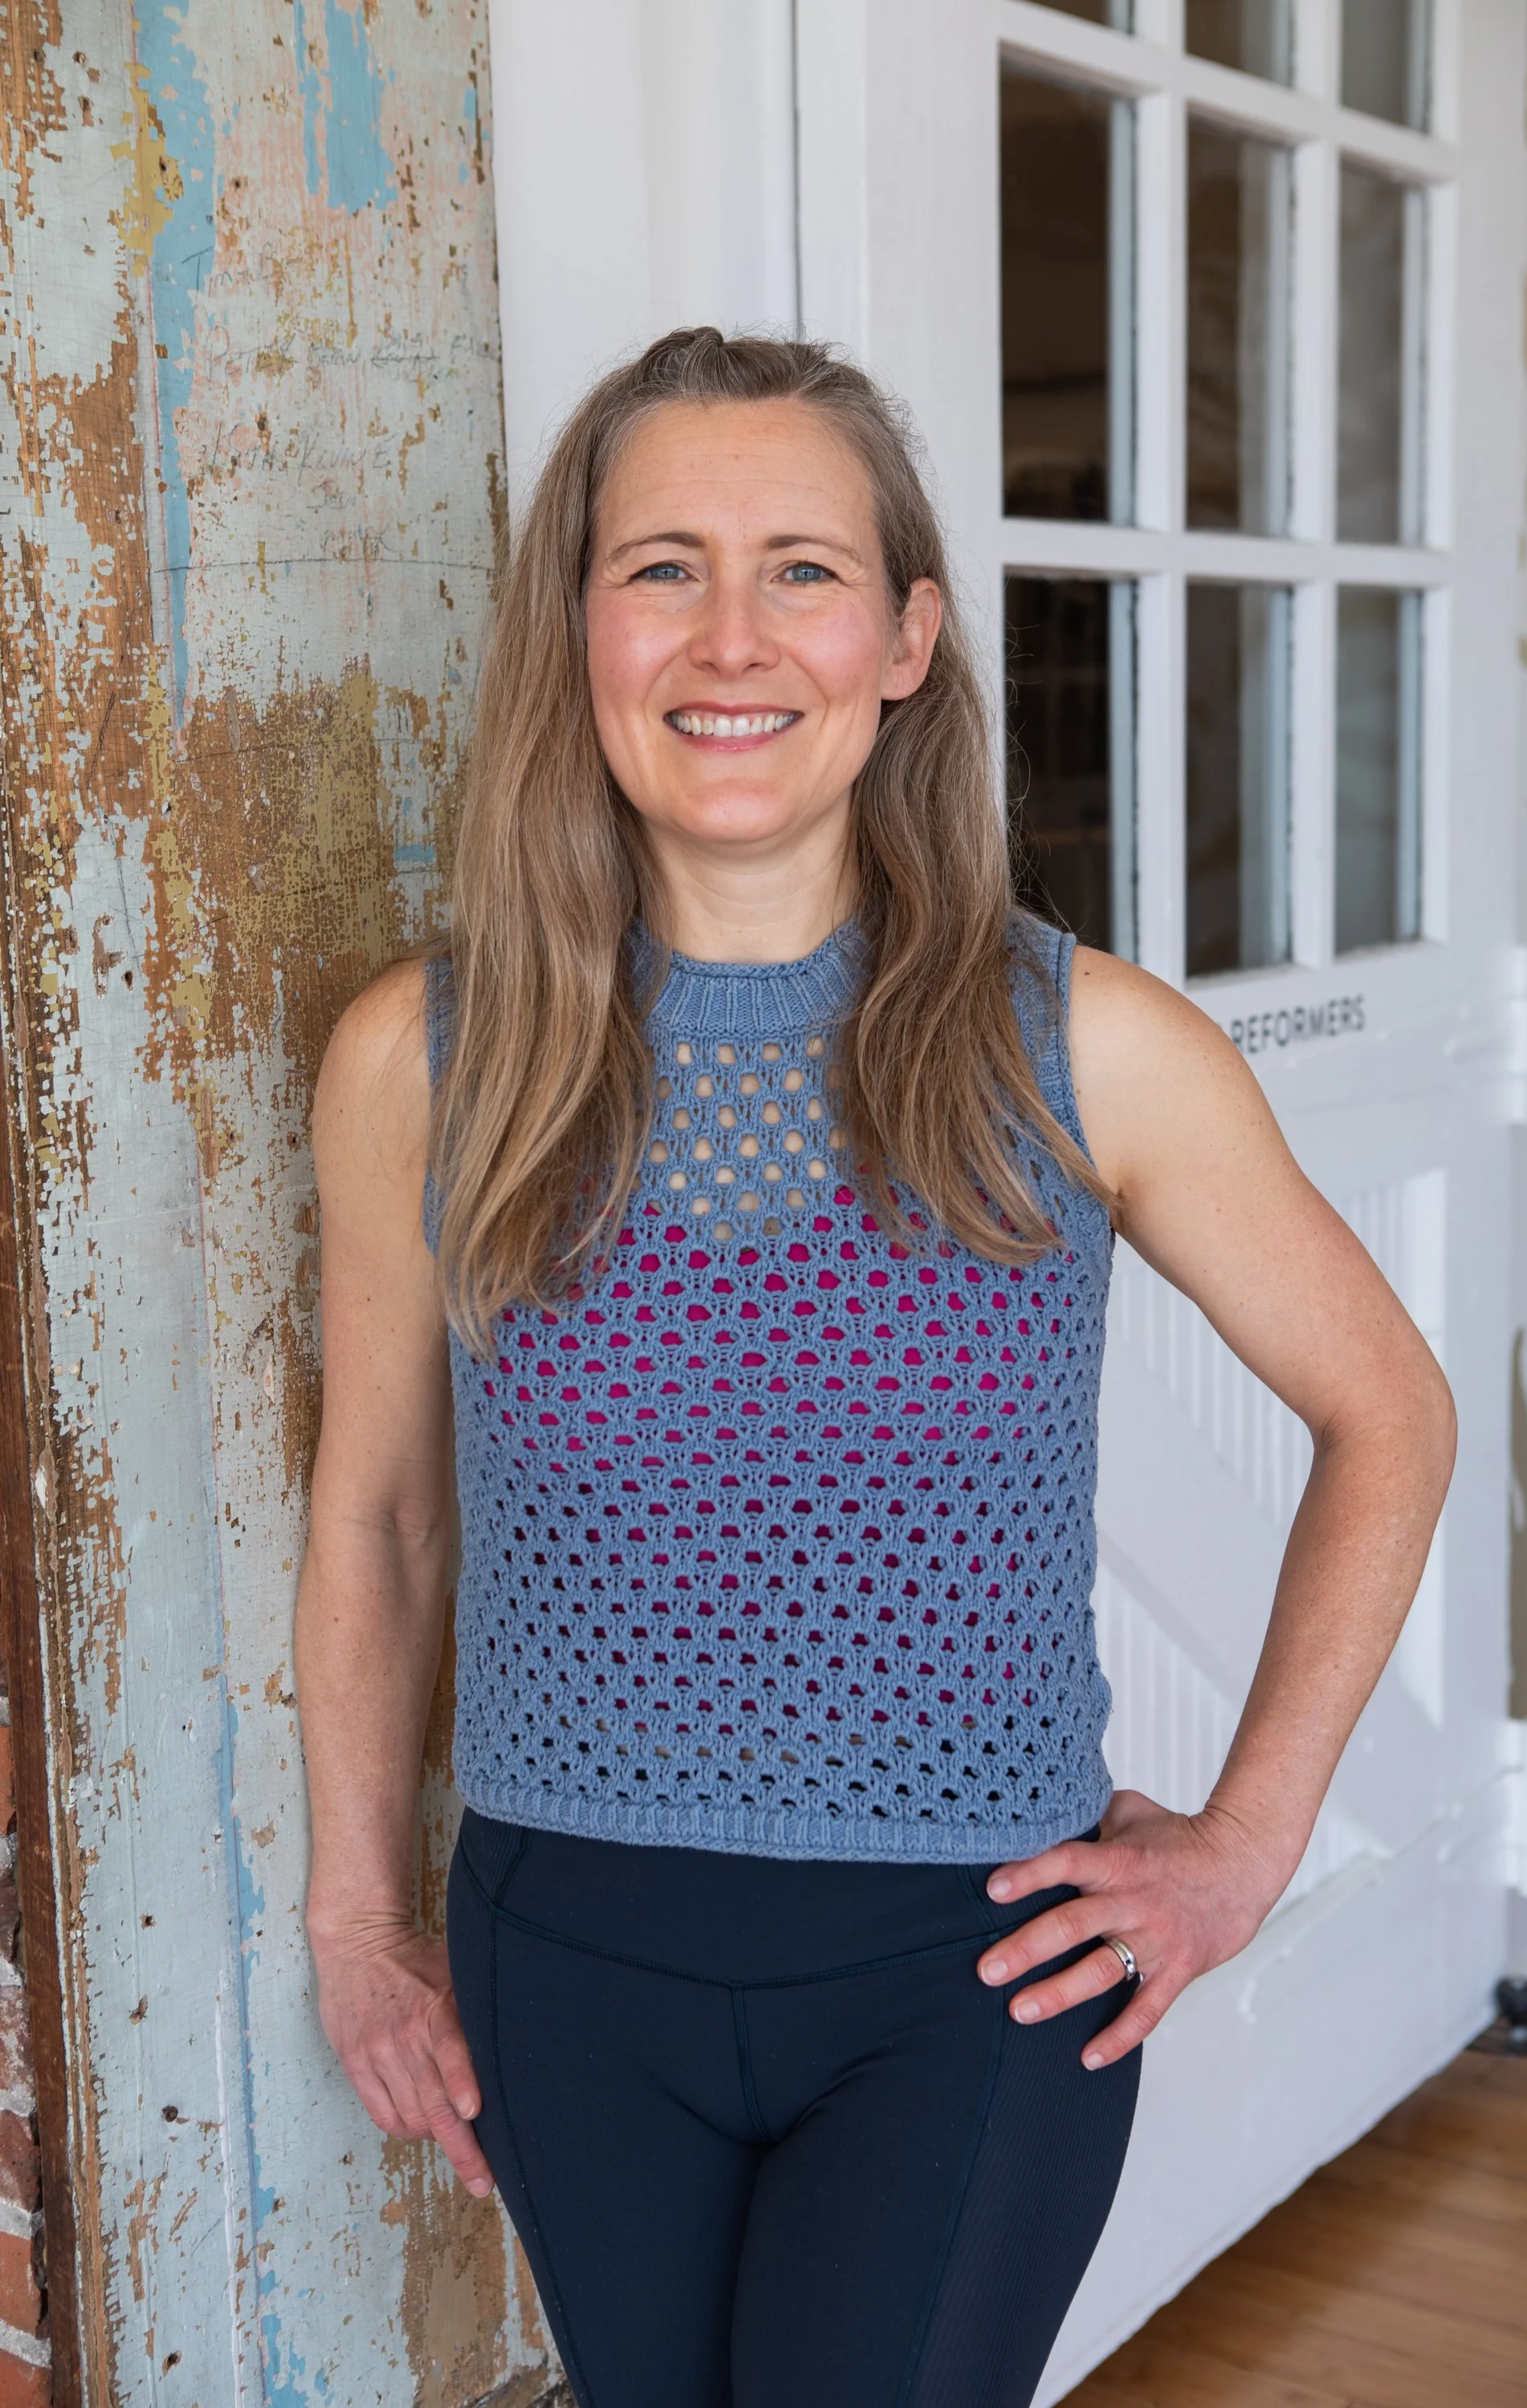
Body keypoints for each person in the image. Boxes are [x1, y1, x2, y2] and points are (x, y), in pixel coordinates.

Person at [295, 327, 1456, 2408]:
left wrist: (1251, 1839)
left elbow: (1390, 1413)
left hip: (965, 1978)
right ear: (577, 630)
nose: (731, 636)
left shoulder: (1084, 1047)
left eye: (804, 569)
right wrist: (352, 1911)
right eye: (661, 566)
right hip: (565, 1966)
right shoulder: (424, 1058)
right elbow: (381, 1515)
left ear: (910, 636)